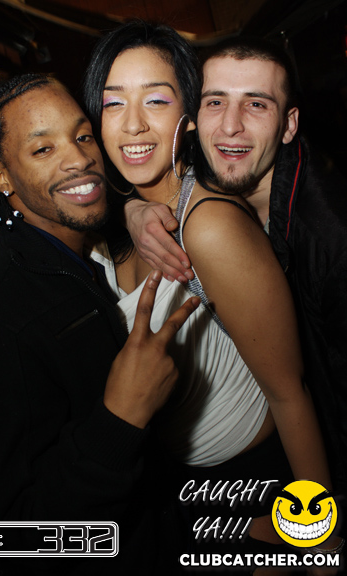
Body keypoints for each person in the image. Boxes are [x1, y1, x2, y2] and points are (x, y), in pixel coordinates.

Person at [82, 21, 341, 572]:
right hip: (184, 494)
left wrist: (317, 539)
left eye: (156, 99)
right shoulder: (114, 219)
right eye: (112, 102)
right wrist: (130, 210)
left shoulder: (211, 226)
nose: (132, 123)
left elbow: (290, 395)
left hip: (255, 488)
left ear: (188, 115)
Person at [0, 73, 200, 576]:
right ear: (1, 178)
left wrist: (132, 209)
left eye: (82, 136)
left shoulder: (80, 251)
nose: (79, 158)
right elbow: (21, 535)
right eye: (43, 149)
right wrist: (119, 418)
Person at [124, 35, 347, 500]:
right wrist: (134, 209)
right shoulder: (207, 172)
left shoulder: (330, 236)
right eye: (215, 101)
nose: (230, 126)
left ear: (289, 125)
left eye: (256, 104)